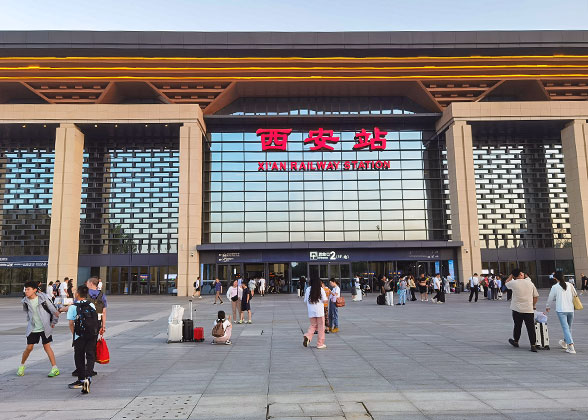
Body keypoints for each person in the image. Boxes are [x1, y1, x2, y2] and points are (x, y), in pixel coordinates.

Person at [17, 281, 61, 378]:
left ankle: (55, 368)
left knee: (47, 347)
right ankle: (21, 366)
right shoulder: (25, 301)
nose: (26, 291)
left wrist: (53, 323)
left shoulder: (43, 298)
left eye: (28, 289)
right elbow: (27, 312)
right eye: (25, 289)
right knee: (29, 348)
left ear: (35, 290)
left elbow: (54, 311)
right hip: (33, 327)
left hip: (45, 327)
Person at [67, 285, 98, 394]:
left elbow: (71, 323)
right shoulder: (91, 305)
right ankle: (88, 378)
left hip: (79, 336)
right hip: (92, 335)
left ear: (77, 294)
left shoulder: (73, 307)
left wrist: (75, 335)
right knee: (90, 356)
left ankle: (81, 379)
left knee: (79, 357)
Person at [506, 268, 539, 352]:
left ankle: (516, 341)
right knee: (530, 327)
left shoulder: (513, 283)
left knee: (517, 326)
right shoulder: (530, 283)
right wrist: (533, 305)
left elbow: (506, 283)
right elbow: (535, 296)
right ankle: (533, 345)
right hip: (528, 309)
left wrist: (511, 276)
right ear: (520, 274)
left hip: (517, 309)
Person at [546, 272, 577, 354]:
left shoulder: (555, 287)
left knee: (565, 328)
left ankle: (571, 346)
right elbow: (575, 294)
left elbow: (550, 298)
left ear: (555, 278)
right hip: (570, 309)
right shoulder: (570, 285)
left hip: (561, 310)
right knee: (568, 327)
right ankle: (564, 342)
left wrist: (548, 306)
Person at [303, 277, 328, 349]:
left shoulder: (308, 289)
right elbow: (325, 300)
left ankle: (308, 336)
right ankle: (320, 344)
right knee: (321, 327)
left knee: (313, 325)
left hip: (311, 311)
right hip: (319, 311)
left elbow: (305, 300)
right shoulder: (321, 289)